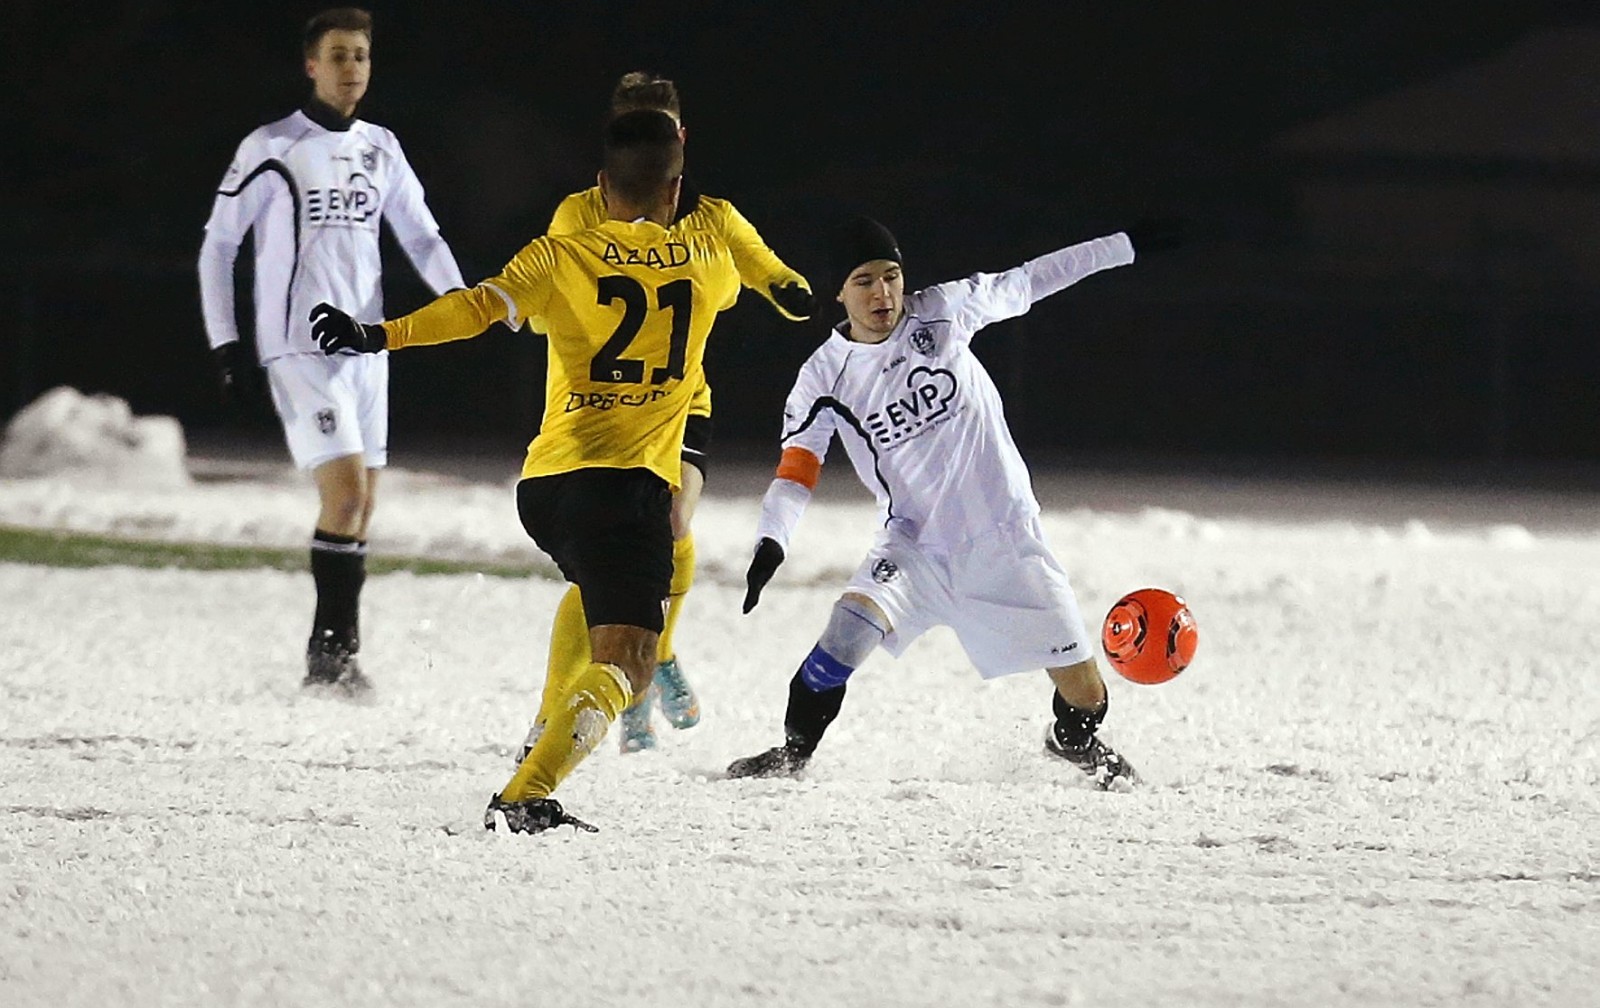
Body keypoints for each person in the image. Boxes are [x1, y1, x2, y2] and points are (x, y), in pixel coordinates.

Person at [309, 110, 742, 833]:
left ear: (602, 188)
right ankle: (524, 791)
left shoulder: (560, 254)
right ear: (675, 194)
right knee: (627, 664)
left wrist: (377, 335)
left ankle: (543, 732)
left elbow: (477, 308)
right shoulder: (709, 260)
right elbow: (740, 278)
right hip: (626, 487)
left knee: (596, 608)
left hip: (547, 487)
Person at [732, 215, 1180, 790]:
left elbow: (1032, 278)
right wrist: (773, 540)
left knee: (1087, 695)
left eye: (892, 276)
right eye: (864, 280)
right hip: (914, 547)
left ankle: (1073, 742)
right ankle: (792, 754)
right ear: (838, 292)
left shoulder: (943, 310)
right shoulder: (823, 378)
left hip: (1008, 539)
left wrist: (1125, 245)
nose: (883, 294)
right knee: (842, 639)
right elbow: (796, 472)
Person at [529, 72, 814, 754]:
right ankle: (560, 706)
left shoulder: (710, 216)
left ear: (680, 137)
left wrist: (789, 288)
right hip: (596, 413)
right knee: (610, 566)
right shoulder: (577, 214)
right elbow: (545, 300)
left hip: (680, 402)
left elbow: (762, 263)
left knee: (674, 520)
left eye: (664, 126)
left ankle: (652, 654)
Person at [196, 7, 467, 693]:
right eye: (339, 56)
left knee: (363, 505)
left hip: (367, 350)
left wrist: (464, 304)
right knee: (344, 497)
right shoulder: (273, 146)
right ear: (311, 66)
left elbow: (423, 237)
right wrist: (227, 342)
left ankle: (339, 653)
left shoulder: (382, 146)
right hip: (298, 347)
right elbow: (219, 245)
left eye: (362, 56)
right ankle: (327, 659)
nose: (353, 69)